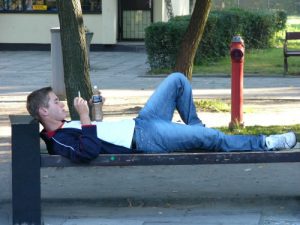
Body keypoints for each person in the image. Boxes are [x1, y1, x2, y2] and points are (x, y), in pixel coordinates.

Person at [26, 72, 297, 163]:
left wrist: (95, 114)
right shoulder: (58, 140)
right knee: (213, 137)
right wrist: (84, 116)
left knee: (178, 79)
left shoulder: (64, 125)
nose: (61, 104)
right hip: (144, 139)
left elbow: (96, 132)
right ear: (43, 112)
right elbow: (88, 152)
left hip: (140, 122)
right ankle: (266, 143)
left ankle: (196, 133)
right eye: (55, 102)